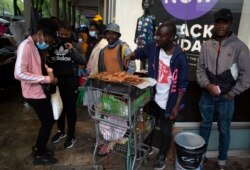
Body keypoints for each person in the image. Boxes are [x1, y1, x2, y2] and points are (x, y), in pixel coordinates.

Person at [126, 21, 188, 170]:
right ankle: (146, 150)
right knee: (149, 126)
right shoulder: (154, 47)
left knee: (166, 131)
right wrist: (129, 56)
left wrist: (176, 106)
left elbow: (183, 84)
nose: (157, 38)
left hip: (169, 101)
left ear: (172, 37)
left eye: (161, 36)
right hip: (153, 97)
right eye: (157, 34)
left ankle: (162, 156)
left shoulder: (179, 57)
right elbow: (139, 53)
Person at [196, 8, 250, 170]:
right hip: (206, 95)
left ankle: (222, 161)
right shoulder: (206, 45)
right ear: (214, 24)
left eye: (224, 22)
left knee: (224, 130)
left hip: (226, 98)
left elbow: (246, 77)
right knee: (204, 126)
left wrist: (232, 93)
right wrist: (207, 85)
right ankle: (201, 156)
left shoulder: (239, 47)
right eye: (218, 22)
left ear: (230, 24)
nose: (220, 25)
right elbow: (200, 70)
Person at [14, 18, 58, 165]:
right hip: (33, 93)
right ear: (40, 34)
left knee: (47, 121)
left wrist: (50, 72)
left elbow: (41, 64)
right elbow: (19, 73)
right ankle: (39, 154)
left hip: (40, 91)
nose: (47, 43)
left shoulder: (36, 46)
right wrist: (45, 79)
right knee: (48, 121)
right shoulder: (25, 46)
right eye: (47, 40)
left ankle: (40, 148)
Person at [48, 20, 85, 149]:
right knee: (58, 107)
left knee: (70, 109)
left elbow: (82, 60)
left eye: (66, 34)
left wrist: (72, 49)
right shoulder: (52, 44)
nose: (63, 37)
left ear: (70, 33)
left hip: (71, 81)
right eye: (61, 34)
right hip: (56, 81)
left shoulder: (76, 45)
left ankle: (71, 135)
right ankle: (61, 131)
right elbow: (49, 62)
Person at [135, 0, 156, 70]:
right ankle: (142, 71)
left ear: (150, 4)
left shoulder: (152, 18)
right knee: (142, 59)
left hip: (149, 42)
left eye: (147, 2)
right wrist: (135, 37)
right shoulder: (140, 19)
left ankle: (148, 72)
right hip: (141, 42)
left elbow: (155, 31)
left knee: (149, 60)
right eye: (144, 3)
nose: (145, 4)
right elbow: (137, 30)